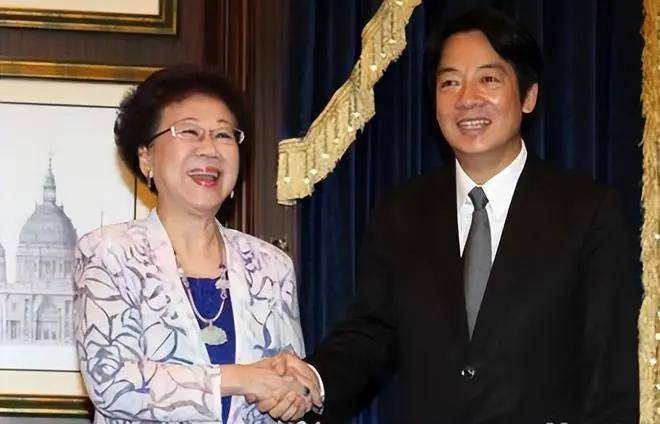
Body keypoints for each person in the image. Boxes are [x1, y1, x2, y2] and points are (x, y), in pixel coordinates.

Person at [264, 8, 639, 423]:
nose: (468, 99)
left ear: (528, 96)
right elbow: (370, 334)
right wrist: (315, 380)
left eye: (488, 79)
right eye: (450, 82)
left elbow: (609, 374)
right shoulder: (401, 212)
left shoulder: (587, 211)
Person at [73, 65, 315, 423]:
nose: (210, 149)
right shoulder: (110, 253)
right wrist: (240, 378)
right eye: (189, 131)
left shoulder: (271, 266)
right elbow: (113, 384)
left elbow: (288, 382)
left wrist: (295, 397)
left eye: (224, 135)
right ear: (146, 156)